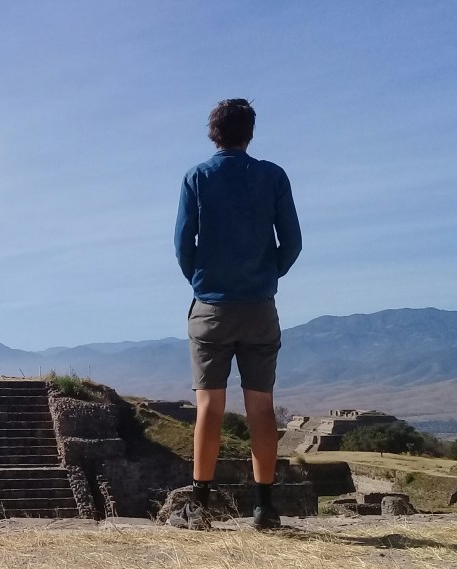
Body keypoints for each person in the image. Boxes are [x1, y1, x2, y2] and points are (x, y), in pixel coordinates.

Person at [173, 98, 302, 529]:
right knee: (261, 406)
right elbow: (292, 242)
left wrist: (202, 281)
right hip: (259, 307)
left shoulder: (197, 177)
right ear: (250, 132)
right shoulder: (273, 176)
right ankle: (264, 508)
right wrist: (267, 276)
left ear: (214, 133)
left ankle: (199, 506)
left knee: (209, 405)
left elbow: (183, 244)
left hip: (211, 306)